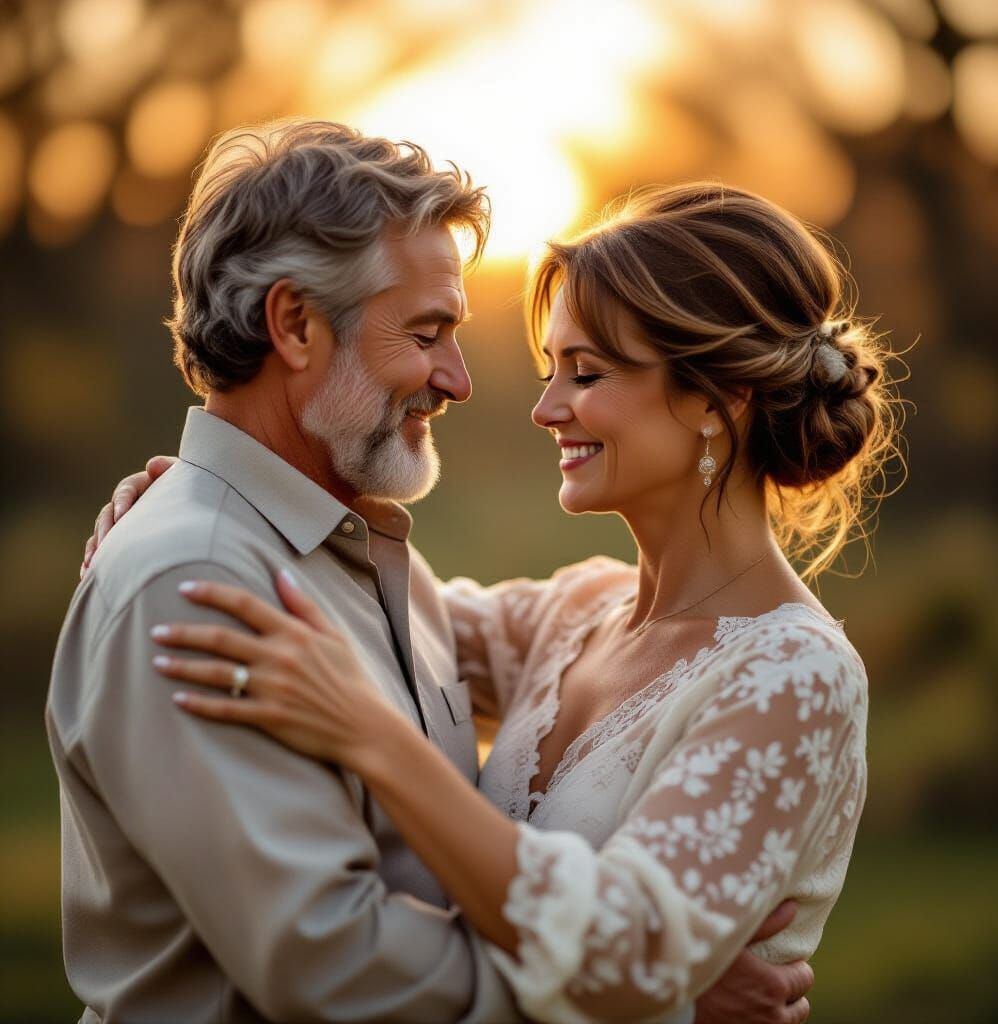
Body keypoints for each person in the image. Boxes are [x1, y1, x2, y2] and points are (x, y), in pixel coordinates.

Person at [55, 120, 806, 1023]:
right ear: (295, 324)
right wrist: (638, 997)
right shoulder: (195, 585)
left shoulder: (373, 565)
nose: (458, 379)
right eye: (426, 332)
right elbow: (329, 960)